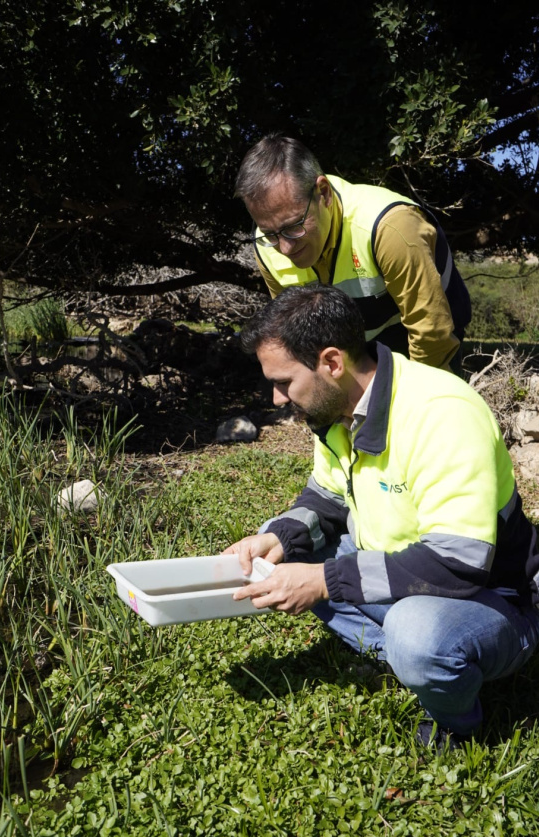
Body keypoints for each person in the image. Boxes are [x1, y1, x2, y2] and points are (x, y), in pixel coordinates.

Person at [224, 285, 539, 748]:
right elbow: (326, 498)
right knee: (298, 558)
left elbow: (460, 561)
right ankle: (411, 658)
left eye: (284, 382)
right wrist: (282, 538)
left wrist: (324, 580)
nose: (275, 399)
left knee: (417, 636)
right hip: (398, 563)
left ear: (332, 363)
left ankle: (457, 721)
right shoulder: (336, 407)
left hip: (496, 594)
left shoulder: (441, 414)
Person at [234, 135, 471, 373]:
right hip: (356, 350)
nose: (284, 248)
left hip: (426, 341)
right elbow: (298, 338)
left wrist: (413, 404)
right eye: (270, 233)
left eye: (294, 226)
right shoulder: (265, 247)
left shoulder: (389, 226)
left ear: (323, 193)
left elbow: (431, 334)